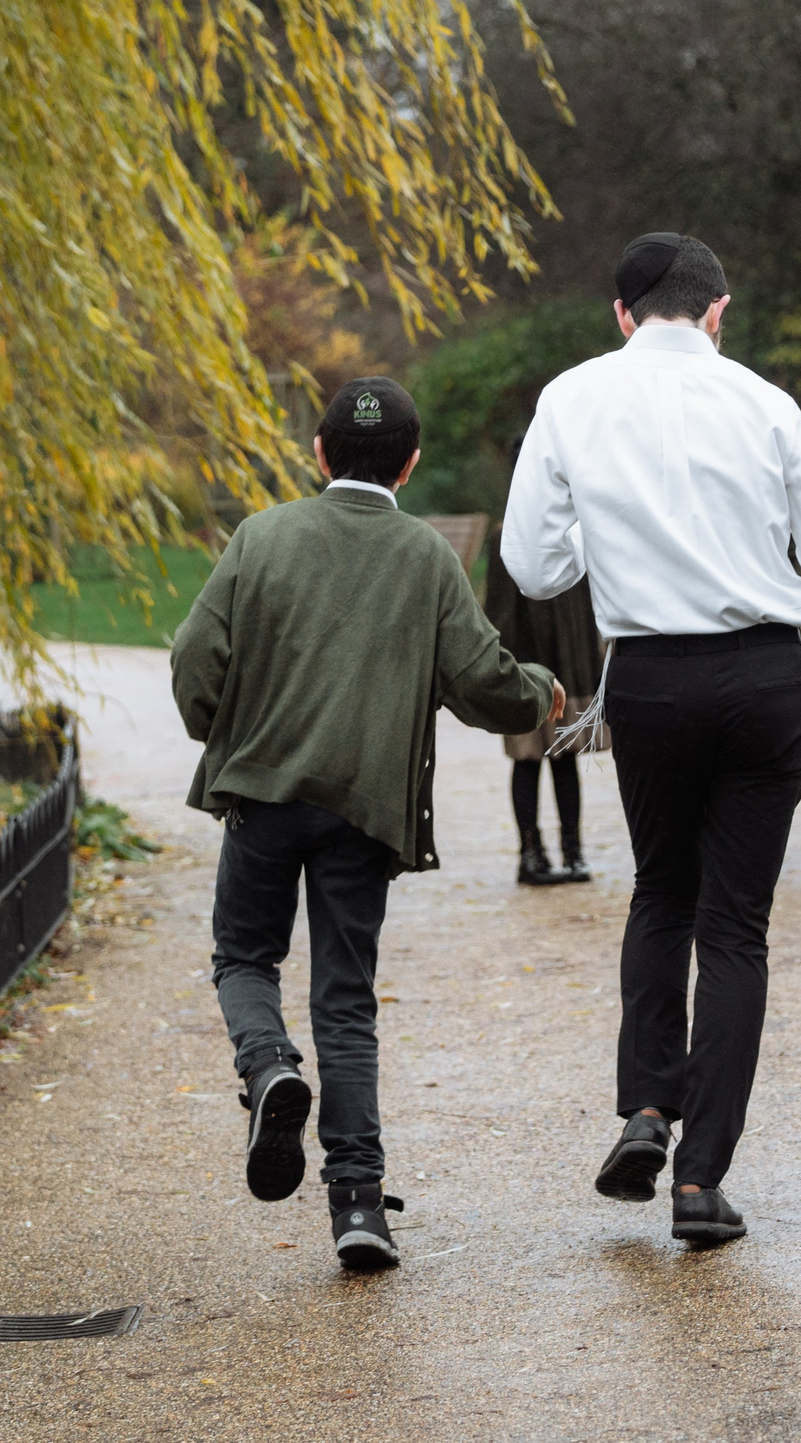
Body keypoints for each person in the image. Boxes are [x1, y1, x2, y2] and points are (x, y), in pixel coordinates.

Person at [502, 233, 801, 1245]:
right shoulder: (766, 406)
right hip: (761, 675)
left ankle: (645, 1103)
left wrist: (609, 533)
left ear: (621, 312)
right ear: (717, 310)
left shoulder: (570, 398)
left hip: (647, 675)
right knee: (735, 926)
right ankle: (700, 1178)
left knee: (660, 893)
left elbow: (532, 565)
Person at [172, 377, 560, 1271]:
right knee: (346, 1002)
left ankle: (268, 1065)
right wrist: (542, 690)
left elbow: (197, 656)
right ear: (411, 465)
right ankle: (358, 1207)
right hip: (364, 813)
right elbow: (482, 683)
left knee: (244, 957)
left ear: (317, 451)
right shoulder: (424, 556)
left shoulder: (261, 536)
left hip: (264, 797)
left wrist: (222, 735)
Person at [483, 516, 603, 885]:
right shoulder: (509, 536)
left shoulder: (573, 531)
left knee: (564, 756)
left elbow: (584, 605)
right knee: (527, 758)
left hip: (567, 659)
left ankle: (573, 850)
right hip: (524, 659)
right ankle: (530, 854)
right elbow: (499, 610)